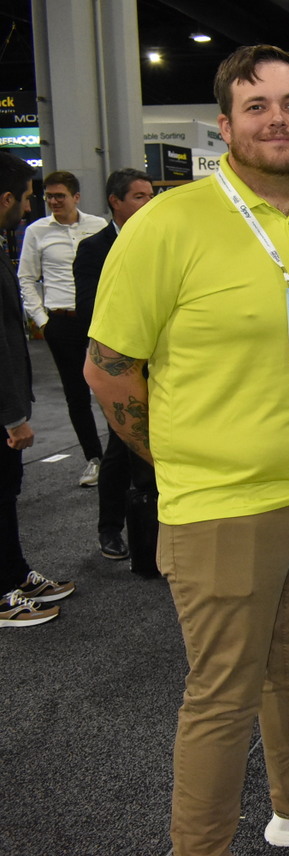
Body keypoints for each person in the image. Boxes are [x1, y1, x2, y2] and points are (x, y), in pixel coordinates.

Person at [83, 45, 289, 853]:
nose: (277, 119)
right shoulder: (167, 224)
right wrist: (187, 459)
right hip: (222, 507)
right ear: (225, 126)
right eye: (257, 106)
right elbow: (108, 371)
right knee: (222, 696)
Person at [0, 151, 77, 627]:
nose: (29, 208)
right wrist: (13, 417)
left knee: (7, 493)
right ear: (5, 198)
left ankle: (15, 574)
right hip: (3, 407)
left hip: (9, 399)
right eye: (27, 198)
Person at [73, 168, 155, 561]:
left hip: (161, 360)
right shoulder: (95, 248)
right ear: (115, 202)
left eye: (151, 195)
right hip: (119, 363)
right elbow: (91, 310)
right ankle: (110, 529)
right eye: (139, 196)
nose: (148, 202)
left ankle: (153, 533)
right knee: (121, 447)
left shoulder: (159, 242)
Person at [16, 170, 108, 487]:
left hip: (97, 319)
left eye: (60, 196)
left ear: (76, 197)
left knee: (110, 387)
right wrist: (42, 321)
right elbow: (26, 278)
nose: (54, 201)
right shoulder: (37, 231)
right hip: (61, 321)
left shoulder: (97, 226)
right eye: (49, 196)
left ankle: (121, 457)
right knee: (76, 394)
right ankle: (94, 460)